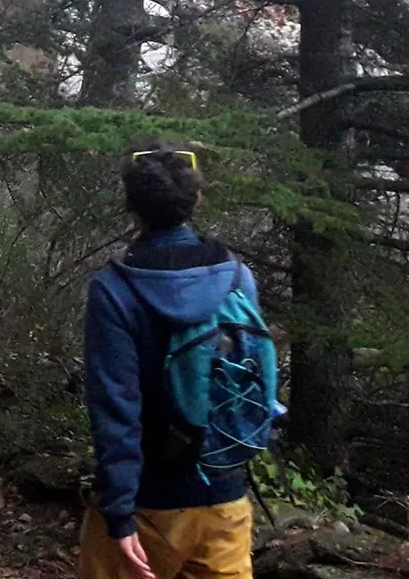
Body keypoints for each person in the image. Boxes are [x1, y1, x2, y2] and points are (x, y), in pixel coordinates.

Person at [80, 144, 261, 579]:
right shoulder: (237, 276)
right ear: (196, 201)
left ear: (129, 207)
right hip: (224, 497)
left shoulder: (115, 289)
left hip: (148, 503)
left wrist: (120, 513)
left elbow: (116, 409)